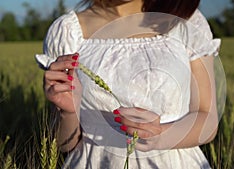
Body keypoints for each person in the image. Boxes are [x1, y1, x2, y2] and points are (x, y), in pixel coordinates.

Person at [36, 0, 222, 168]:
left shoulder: (186, 21)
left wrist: (160, 136)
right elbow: (63, 144)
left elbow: (207, 119)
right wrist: (68, 111)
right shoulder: (68, 31)